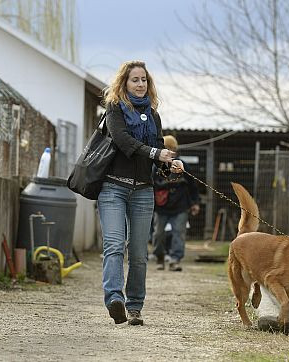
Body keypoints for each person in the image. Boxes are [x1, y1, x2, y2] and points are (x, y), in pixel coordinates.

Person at [98, 60, 183, 326]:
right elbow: (124, 142)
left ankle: (134, 306)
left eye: (144, 80)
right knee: (114, 245)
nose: (140, 84)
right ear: (124, 83)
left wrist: (169, 165)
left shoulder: (153, 115)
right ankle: (115, 299)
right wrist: (155, 153)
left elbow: (157, 150)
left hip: (143, 192)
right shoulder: (115, 110)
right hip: (113, 187)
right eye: (135, 80)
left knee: (138, 253)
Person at [152, 135, 200, 272]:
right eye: (167, 148)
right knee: (158, 234)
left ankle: (175, 260)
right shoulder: (156, 168)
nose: (170, 151)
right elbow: (150, 186)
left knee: (178, 233)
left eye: (172, 148)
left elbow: (193, 186)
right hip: (161, 206)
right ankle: (160, 257)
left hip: (180, 206)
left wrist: (195, 203)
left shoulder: (183, 166)